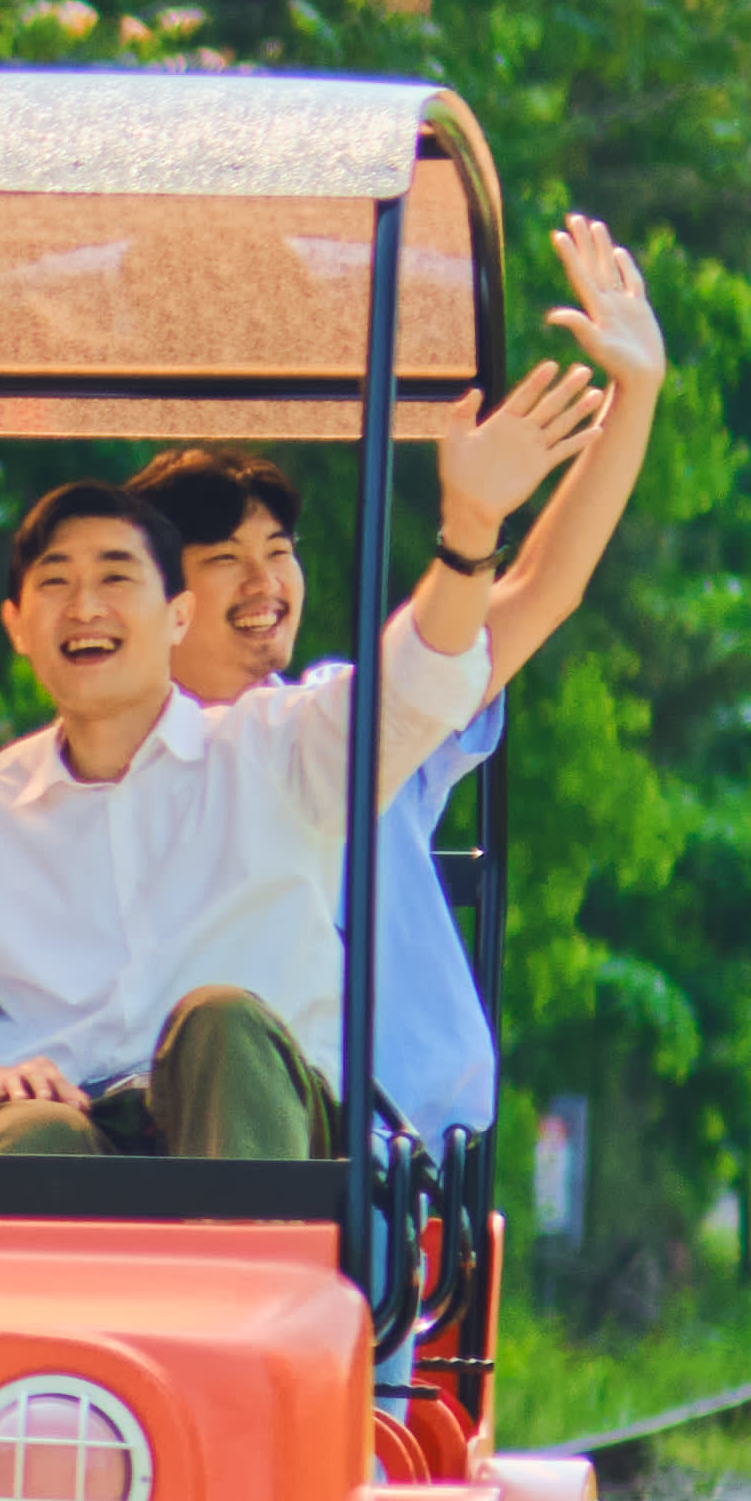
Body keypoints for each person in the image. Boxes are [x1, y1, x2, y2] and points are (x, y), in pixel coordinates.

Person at [142, 214, 676, 1147]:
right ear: (158, 599)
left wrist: (636, 393)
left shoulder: (358, 718)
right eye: (224, 557)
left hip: (388, 1157)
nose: (265, 581)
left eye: (278, 550)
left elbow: (538, 588)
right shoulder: (120, 773)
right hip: (206, 1136)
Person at [0, 467, 511, 1163]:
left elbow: (416, 684)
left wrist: (469, 533)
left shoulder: (278, 748)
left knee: (221, 1023)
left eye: (116, 579)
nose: (85, 607)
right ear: (17, 625)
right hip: (76, 1128)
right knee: (28, 1136)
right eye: (55, 582)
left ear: (178, 614)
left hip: (263, 1130)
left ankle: (245, 1266)